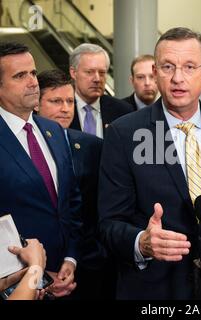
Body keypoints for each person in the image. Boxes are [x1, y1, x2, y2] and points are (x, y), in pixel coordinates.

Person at [98, 27, 201, 300]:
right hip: (154, 288)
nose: (177, 78)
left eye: (189, 66)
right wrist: (142, 243)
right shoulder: (124, 134)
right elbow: (109, 223)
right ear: (156, 72)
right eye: (167, 67)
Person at [0, 42, 82, 298]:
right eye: (19, 76)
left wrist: (71, 259)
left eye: (33, 73)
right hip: (15, 284)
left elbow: (71, 203)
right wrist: (36, 273)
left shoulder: (54, 131)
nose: (33, 82)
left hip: (65, 279)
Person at [35, 69, 114, 299]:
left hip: (89, 265)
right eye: (56, 101)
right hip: (39, 263)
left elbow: (103, 202)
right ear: (37, 104)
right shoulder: (25, 148)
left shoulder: (92, 146)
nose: (65, 108)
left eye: (70, 101)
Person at [69, 43, 133, 138]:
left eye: (102, 73)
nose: (97, 79)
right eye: (89, 72)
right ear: (73, 73)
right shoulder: (61, 110)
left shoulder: (123, 111)